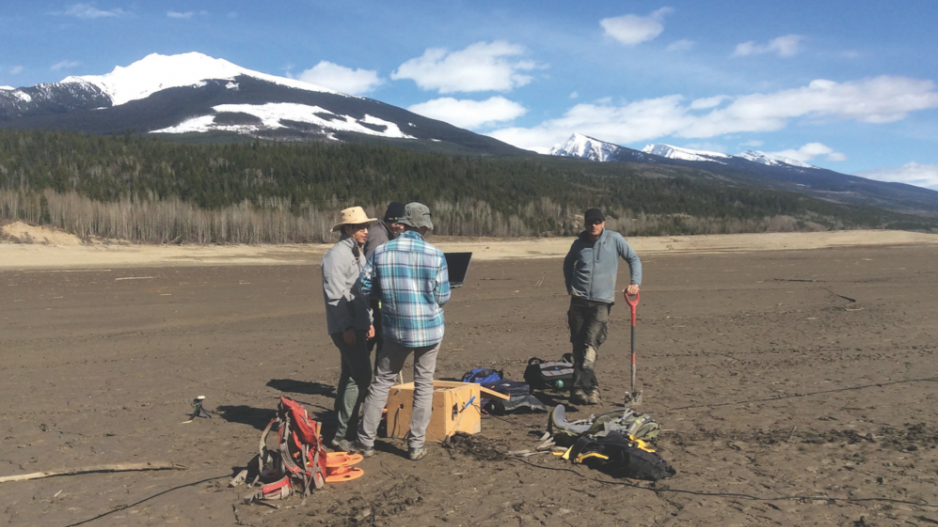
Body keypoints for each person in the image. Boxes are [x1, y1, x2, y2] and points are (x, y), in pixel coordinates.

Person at [350, 202, 450, 461]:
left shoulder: (382, 252)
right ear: (424, 227)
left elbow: (363, 287)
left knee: (381, 382)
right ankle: (415, 445)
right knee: (424, 384)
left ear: (402, 224)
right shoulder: (435, 254)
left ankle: (364, 441)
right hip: (429, 330)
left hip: (395, 329)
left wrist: (387, 295)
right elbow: (443, 296)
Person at [562, 208, 642, 406]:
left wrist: (635, 283)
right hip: (579, 301)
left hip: (601, 302)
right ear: (585, 224)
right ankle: (588, 390)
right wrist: (570, 286)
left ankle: (581, 388)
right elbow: (568, 263)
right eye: (590, 222)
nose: (594, 225)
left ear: (603, 223)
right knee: (579, 345)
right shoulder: (578, 244)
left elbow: (633, 259)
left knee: (591, 345)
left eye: (597, 222)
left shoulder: (615, 240)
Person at [321, 206, 376, 450]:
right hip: (346, 328)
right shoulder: (336, 256)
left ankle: (340, 426)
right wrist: (347, 327)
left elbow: (362, 291)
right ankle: (343, 435)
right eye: (361, 227)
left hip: (358, 325)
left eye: (367, 226)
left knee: (350, 375)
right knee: (361, 376)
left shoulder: (356, 253)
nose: (366, 231)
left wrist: (368, 321)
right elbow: (335, 296)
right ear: (348, 229)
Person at [362, 202, 407, 364]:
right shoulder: (378, 236)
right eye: (396, 222)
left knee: (381, 346)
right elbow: (370, 269)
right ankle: (363, 385)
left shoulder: (388, 235)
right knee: (370, 346)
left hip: (380, 302)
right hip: (375, 303)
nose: (399, 227)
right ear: (388, 220)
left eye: (401, 223)